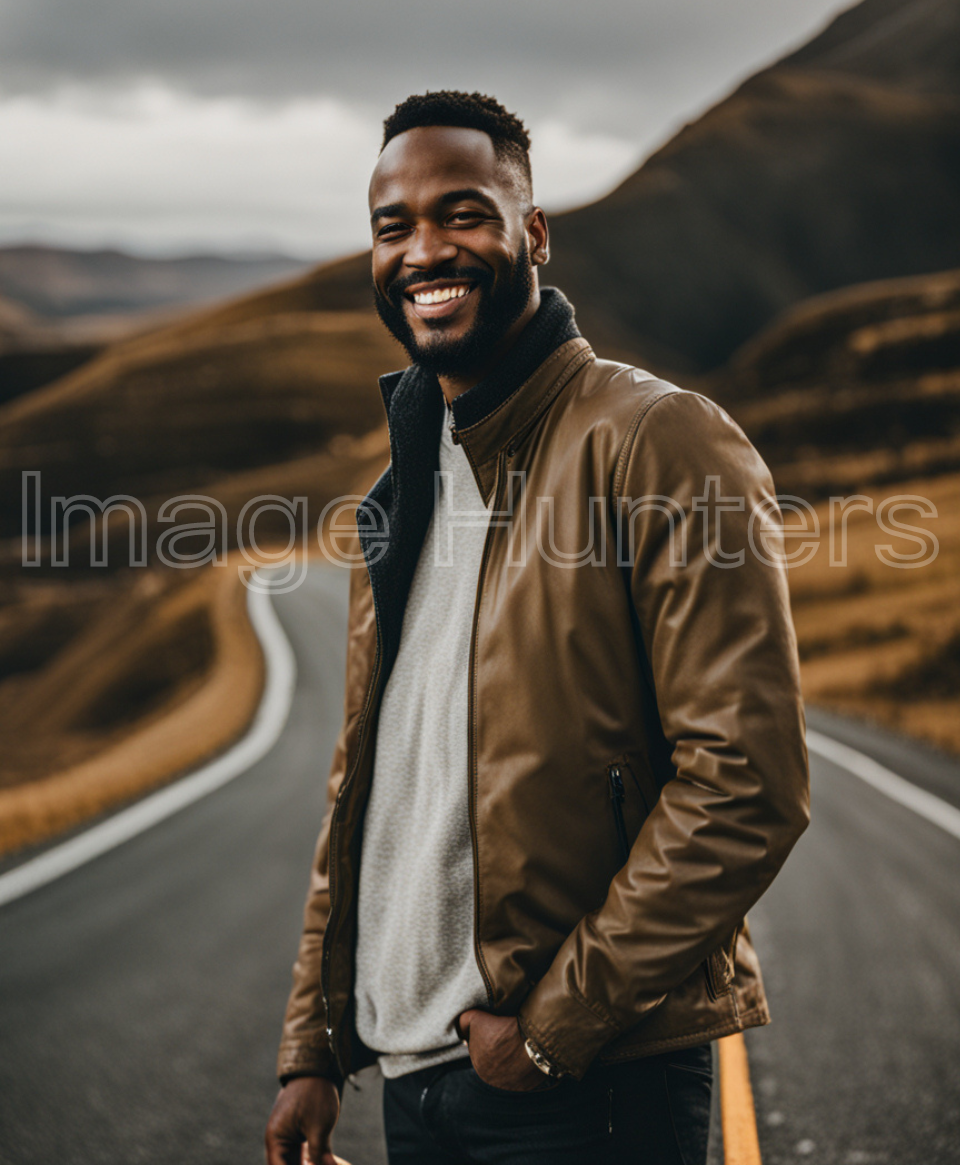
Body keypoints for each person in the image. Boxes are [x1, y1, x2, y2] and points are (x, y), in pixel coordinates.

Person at [265, 91, 810, 1165]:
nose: (425, 249)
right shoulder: (401, 492)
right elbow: (369, 791)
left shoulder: (656, 437)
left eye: (463, 213)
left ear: (534, 233)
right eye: (393, 225)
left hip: (585, 1086)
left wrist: (552, 1033)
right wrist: (313, 1049)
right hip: (416, 1088)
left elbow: (747, 781)